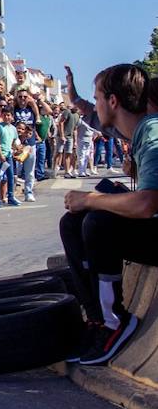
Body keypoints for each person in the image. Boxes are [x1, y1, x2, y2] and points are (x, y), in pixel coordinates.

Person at [60, 64, 156, 366]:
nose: (95, 103)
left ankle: (116, 322)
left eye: (98, 96)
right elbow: (89, 114)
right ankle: (98, 319)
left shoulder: (152, 136)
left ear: (113, 101)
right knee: (71, 223)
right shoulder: (133, 128)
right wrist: (73, 93)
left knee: (98, 221)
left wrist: (91, 198)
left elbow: (146, 205)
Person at [0, 112, 19, 208]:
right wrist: (0, 154)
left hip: (9, 155)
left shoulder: (13, 128)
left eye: (9, 115)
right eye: (5, 115)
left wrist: (16, 148)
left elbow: (13, 141)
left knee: (10, 176)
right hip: (0, 155)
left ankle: (11, 197)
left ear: (12, 117)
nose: (7, 117)